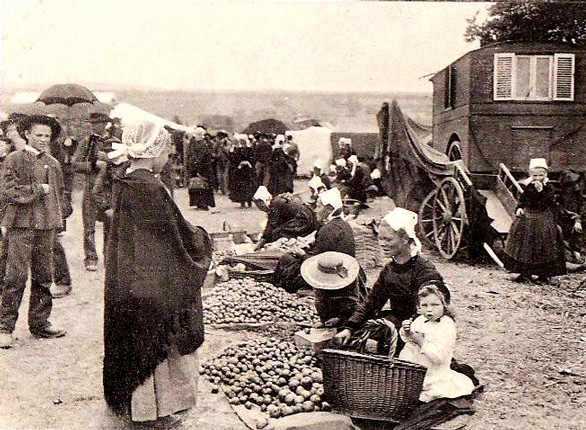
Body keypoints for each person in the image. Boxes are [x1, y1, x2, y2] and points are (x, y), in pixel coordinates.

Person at [103, 119, 212, 424]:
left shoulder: (128, 181)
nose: (169, 158)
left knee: (138, 340)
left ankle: (140, 407)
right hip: (153, 282)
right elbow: (174, 237)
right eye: (167, 151)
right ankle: (158, 409)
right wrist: (200, 237)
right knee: (160, 340)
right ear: (156, 150)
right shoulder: (150, 187)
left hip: (132, 277)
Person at [333, 207, 448, 350]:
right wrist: (349, 328)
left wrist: (390, 337)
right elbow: (372, 302)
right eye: (380, 238)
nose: (382, 244)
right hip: (394, 322)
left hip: (418, 328)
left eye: (388, 239)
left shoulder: (425, 272)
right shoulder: (389, 269)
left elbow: (429, 315)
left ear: (405, 239)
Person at [0, 115, 67, 348]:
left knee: (43, 276)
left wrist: (58, 222)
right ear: (27, 134)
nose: (43, 139)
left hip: (45, 227)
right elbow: (8, 191)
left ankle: (40, 323)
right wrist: (38, 189)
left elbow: (59, 194)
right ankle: (5, 327)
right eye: (38, 134)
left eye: (47, 136)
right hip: (21, 226)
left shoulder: (53, 162)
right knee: (15, 277)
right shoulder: (14, 159)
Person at [399, 283, 475, 403]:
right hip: (414, 366)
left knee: (431, 392)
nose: (429, 309)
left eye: (435, 305)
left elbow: (439, 357)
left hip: (433, 370)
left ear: (444, 306)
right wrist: (406, 331)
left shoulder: (446, 325)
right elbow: (408, 338)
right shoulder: (420, 319)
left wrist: (421, 342)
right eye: (424, 305)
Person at [503, 158, 566, 285]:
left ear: (546, 175)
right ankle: (525, 273)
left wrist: (541, 191)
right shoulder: (529, 186)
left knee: (544, 245)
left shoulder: (549, 187)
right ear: (531, 175)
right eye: (535, 175)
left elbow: (548, 202)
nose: (538, 178)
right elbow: (523, 199)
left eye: (541, 175)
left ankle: (543, 275)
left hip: (543, 217)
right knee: (525, 244)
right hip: (529, 216)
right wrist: (520, 207)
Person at [72, 112, 111, 272]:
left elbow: (122, 163)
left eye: (100, 123)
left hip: (108, 188)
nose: (97, 126)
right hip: (90, 187)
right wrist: (94, 164)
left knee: (110, 223)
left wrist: (108, 160)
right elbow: (75, 164)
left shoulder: (114, 142)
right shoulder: (86, 142)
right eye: (94, 124)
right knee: (89, 225)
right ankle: (90, 257)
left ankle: (109, 256)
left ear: (105, 124)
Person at [300, 251, 362, 327]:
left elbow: (353, 303)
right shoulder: (318, 278)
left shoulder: (349, 275)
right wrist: (324, 320)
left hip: (348, 310)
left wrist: (340, 319)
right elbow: (320, 300)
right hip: (330, 309)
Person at [252, 186, 317, 250]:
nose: (260, 208)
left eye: (259, 205)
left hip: (305, 221)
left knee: (277, 233)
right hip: (308, 218)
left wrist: (263, 241)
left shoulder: (275, 204)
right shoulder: (277, 201)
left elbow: (271, 225)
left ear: (262, 202)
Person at [185, 128, 216, 211]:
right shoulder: (201, 144)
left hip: (198, 167)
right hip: (203, 168)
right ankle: (203, 203)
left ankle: (199, 203)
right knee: (203, 186)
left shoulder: (193, 144)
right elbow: (201, 157)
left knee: (198, 186)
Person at [228, 135, 257, 208]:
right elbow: (234, 159)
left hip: (248, 170)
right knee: (241, 186)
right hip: (240, 171)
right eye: (241, 140)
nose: (242, 142)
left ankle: (249, 202)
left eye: (243, 140)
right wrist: (240, 162)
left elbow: (253, 158)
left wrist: (248, 162)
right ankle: (242, 202)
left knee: (249, 186)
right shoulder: (238, 149)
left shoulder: (250, 149)